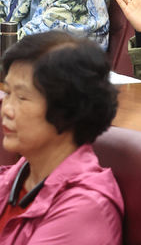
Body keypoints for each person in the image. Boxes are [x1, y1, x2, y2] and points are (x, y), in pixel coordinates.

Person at [0, 31, 123, 244]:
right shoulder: (11, 179)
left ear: (68, 110)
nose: (6, 110)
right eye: (7, 93)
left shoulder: (84, 208)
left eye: (22, 97)